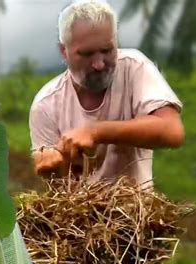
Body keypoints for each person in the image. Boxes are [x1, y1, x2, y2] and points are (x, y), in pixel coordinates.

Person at [29, 0, 184, 188]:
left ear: (115, 41)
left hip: (136, 212)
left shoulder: (134, 68)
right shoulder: (47, 104)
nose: (99, 64)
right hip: (81, 215)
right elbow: (57, 185)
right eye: (86, 54)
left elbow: (172, 131)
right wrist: (54, 164)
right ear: (64, 51)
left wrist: (96, 132)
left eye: (106, 50)